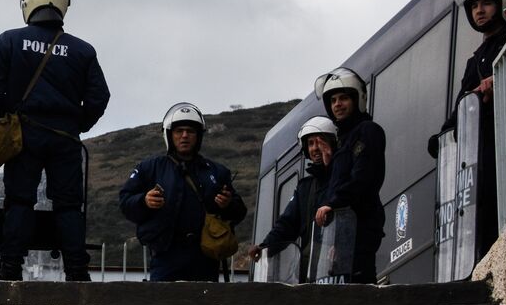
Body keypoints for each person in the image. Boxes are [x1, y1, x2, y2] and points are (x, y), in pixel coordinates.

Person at [0, 0, 110, 282]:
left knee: (20, 200)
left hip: (23, 134)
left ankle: (10, 268)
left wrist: (2, 119)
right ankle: (77, 270)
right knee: (68, 205)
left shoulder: (8, 41)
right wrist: (78, 124)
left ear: (28, 4)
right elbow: (99, 96)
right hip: (65, 137)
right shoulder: (83, 50)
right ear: (63, 5)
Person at [429, 0, 506, 257]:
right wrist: (443, 136)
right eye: (473, 5)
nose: (479, 10)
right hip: (482, 151)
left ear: (501, 3)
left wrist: (497, 78)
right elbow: (461, 104)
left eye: (486, 3)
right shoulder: (474, 59)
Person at [119, 103, 246, 282]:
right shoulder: (149, 168)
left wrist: (228, 205)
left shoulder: (217, 172)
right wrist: (143, 201)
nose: (184, 136)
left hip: (205, 256)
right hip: (165, 255)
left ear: (199, 136)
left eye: (190, 131)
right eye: (179, 131)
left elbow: (240, 212)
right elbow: (125, 202)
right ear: (169, 135)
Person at [313, 67, 385, 284]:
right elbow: (340, 185)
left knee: (360, 283)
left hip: (361, 223)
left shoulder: (367, 130)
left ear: (357, 99)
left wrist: (333, 204)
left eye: (343, 98)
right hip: (344, 229)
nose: (337, 104)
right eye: (333, 100)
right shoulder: (343, 141)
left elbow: (363, 178)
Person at [249, 116, 337, 280]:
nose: (315, 148)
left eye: (320, 142)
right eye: (311, 143)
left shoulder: (343, 178)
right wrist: (264, 247)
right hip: (310, 270)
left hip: (337, 267)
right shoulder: (305, 187)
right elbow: (286, 224)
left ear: (333, 143)